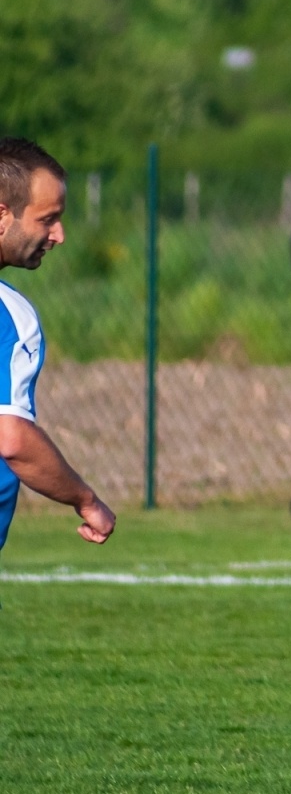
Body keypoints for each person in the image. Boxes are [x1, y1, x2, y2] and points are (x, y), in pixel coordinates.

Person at [0, 138, 116, 553]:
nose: (59, 235)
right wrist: (86, 500)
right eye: (47, 219)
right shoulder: (9, 315)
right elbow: (11, 437)